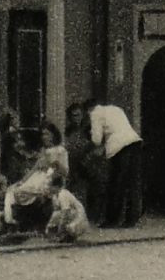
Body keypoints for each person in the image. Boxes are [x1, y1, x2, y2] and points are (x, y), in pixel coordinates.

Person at [87, 98, 143, 228]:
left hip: (119, 148)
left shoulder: (95, 113)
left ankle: (112, 220)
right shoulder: (116, 109)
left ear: (89, 109)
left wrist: (91, 134)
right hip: (134, 142)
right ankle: (131, 219)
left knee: (116, 183)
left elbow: (96, 139)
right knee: (133, 183)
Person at [64, 105, 104, 224]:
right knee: (76, 189)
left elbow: (96, 145)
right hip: (76, 163)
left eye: (78, 115)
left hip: (90, 162)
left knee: (95, 188)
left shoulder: (89, 128)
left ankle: (95, 217)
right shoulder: (68, 130)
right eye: (73, 116)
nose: (76, 118)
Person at [43, 171, 89, 243]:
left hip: (77, 217)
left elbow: (65, 212)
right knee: (55, 215)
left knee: (58, 215)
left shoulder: (63, 194)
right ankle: (61, 235)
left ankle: (67, 234)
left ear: (56, 186)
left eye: (50, 185)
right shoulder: (55, 196)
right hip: (69, 215)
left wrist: (60, 228)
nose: (48, 187)